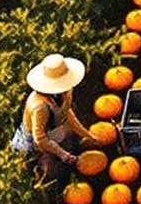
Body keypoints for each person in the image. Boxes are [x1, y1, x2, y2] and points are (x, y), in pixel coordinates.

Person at [12, 53, 87, 185]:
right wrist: (62, 154)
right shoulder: (40, 107)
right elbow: (40, 139)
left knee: (71, 144)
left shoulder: (65, 92)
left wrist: (87, 134)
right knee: (51, 174)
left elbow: (67, 114)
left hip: (54, 130)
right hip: (37, 143)